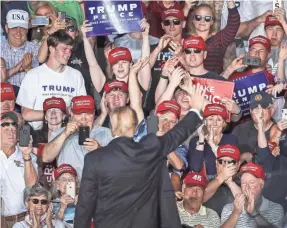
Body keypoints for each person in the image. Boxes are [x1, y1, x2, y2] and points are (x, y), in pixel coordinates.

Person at [74, 84, 206, 228]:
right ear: (135, 127)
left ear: (112, 129)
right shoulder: (150, 149)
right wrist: (195, 111)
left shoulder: (94, 159)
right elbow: (177, 135)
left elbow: (84, 207)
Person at [16, 30, 86, 130]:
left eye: (70, 50)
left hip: (68, 133)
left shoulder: (76, 75)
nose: (68, 53)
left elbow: (81, 110)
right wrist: (56, 114)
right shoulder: (34, 75)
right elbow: (26, 114)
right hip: (40, 133)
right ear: (52, 49)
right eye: (64, 49)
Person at [42, 95, 113, 179]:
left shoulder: (105, 133)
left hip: (97, 187)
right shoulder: (59, 133)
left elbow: (116, 164)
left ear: (94, 113)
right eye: (79, 113)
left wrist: (100, 149)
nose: (83, 118)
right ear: (71, 114)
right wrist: (65, 133)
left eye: (88, 113)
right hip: (69, 187)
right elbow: (46, 158)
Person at [0, 112, 38, 228]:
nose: (11, 133)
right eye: (6, 129)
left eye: (14, 130)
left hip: (22, 220)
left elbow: (32, 186)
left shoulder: (29, 157)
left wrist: (26, 155)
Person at [221, 163, 284, 228]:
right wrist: (236, 213)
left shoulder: (275, 208)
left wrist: (254, 213)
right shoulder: (229, 208)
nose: (247, 187)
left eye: (251, 182)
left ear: (262, 184)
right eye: (244, 183)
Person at [187, 1, 240, 74]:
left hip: (215, 83)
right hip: (191, 83)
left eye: (207, 18)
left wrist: (230, 1)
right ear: (193, 20)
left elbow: (234, 23)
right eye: (198, 17)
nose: (202, 21)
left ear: (212, 21)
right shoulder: (186, 39)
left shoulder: (218, 40)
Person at [189, 104, 238, 175]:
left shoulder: (231, 139)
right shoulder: (195, 141)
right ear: (204, 122)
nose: (214, 123)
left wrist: (212, 144)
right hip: (203, 183)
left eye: (218, 120)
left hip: (224, 181)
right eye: (210, 119)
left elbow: (229, 166)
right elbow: (196, 168)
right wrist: (201, 140)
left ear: (224, 124)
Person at [1, 9, 39, 91]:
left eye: (22, 28)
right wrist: (15, 69)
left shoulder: (36, 49)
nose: (18, 33)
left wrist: (28, 69)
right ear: (7, 28)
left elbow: (40, 84)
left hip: (26, 98)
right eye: (14, 28)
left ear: (27, 29)